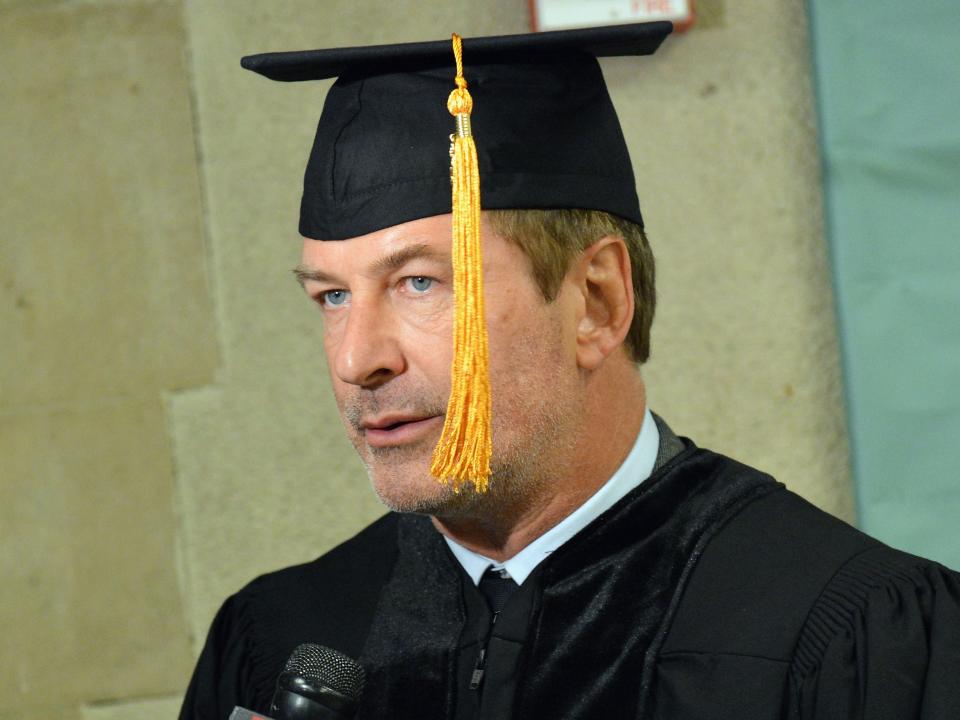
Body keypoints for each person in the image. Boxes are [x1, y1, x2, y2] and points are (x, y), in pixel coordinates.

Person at [179, 23, 960, 720]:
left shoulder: (845, 633)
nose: (358, 359)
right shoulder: (281, 637)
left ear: (597, 300)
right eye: (332, 295)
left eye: (422, 282)